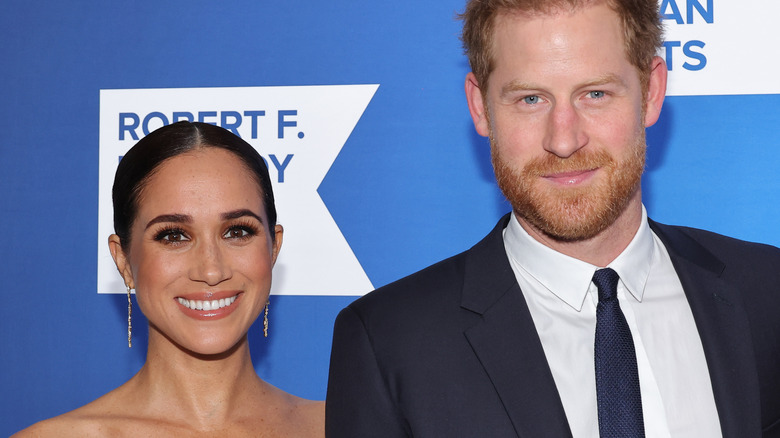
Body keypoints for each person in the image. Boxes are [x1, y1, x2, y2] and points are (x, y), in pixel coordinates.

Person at [325, 0, 780, 437]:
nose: (564, 140)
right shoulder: (388, 343)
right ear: (480, 106)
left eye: (596, 94)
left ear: (652, 92)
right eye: (530, 99)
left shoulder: (766, 292)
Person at [15, 122, 324, 437]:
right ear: (123, 260)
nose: (211, 271)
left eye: (237, 231)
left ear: (273, 248)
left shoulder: (348, 423)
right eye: (174, 236)